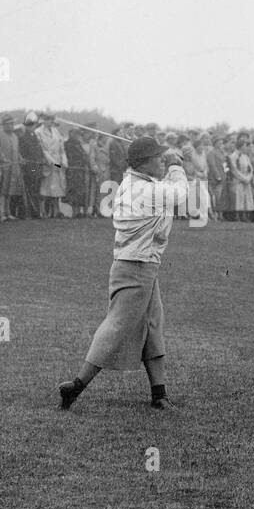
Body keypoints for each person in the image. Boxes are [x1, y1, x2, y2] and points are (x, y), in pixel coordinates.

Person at [59, 137, 188, 412]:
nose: (162, 160)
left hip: (142, 265)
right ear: (144, 163)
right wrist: (176, 165)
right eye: (158, 157)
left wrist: (169, 162)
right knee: (116, 326)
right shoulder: (142, 190)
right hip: (136, 266)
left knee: (153, 326)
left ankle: (159, 394)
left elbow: (165, 187)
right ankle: (76, 386)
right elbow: (179, 194)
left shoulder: (137, 182)